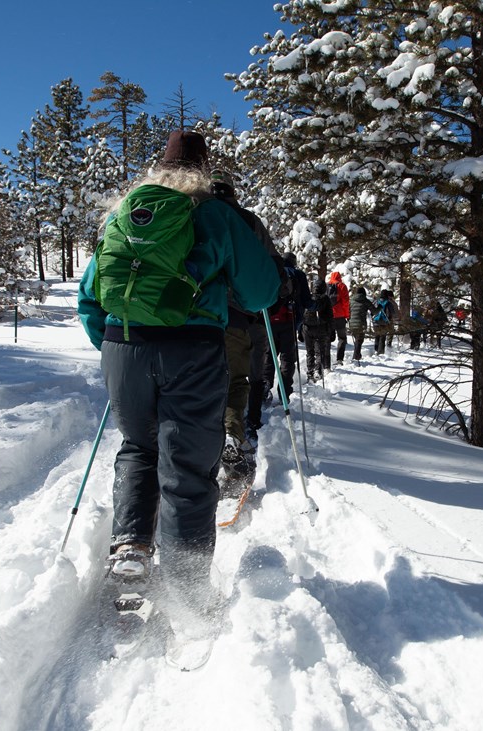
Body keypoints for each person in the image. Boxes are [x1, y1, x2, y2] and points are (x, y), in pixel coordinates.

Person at [76, 130, 279, 592]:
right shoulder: (214, 214)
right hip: (193, 349)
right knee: (186, 464)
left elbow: (91, 296)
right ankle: (185, 589)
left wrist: (116, 348)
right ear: (204, 170)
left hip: (122, 346)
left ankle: (131, 548)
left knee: (139, 446)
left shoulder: (126, 215)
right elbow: (260, 292)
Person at [209, 169, 279, 489]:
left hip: (191, 319)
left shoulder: (194, 213)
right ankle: (230, 439)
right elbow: (269, 267)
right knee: (236, 381)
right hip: (236, 316)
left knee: (196, 385)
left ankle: (192, 451)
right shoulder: (249, 221)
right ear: (233, 191)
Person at [265, 252, 310, 400]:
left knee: (269, 356)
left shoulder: (271, 272)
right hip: (289, 321)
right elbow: (307, 301)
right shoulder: (298, 275)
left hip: (270, 320)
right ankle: (284, 393)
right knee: (287, 359)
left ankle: (265, 387)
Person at [304, 279, 334, 382]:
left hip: (307, 328)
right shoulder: (325, 299)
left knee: (309, 351)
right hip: (321, 328)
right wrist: (332, 330)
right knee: (320, 351)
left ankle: (310, 372)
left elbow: (302, 313)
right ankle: (318, 371)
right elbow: (330, 316)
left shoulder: (308, 298)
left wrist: (300, 330)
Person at [327, 270, 350, 364]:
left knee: (327, 338)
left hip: (328, 316)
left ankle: (326, 362)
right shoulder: (342, 286)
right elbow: (346, 303)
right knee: (342, 338)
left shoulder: (326, 286)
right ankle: (339, 359)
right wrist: (347, 315)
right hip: (339, 316)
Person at [347, 285, 371, 361]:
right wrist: (380, 307)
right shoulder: (365, 300)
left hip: (352, 324)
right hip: (361, 324)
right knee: (359, 341)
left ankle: (357, 355)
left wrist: (348, 319)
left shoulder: (351, 300)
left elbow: (347, 312)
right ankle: (355, 357)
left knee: (357, 340)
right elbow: (374, 311)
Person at [371, 289, 397, 355]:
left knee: (377, 336)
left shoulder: (376, 301)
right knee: (382, 337)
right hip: (384, 322)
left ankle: (376, 350)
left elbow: (372, 311)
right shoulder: (388, 303)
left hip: (376, 321)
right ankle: (381, 352)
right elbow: (393, 313)